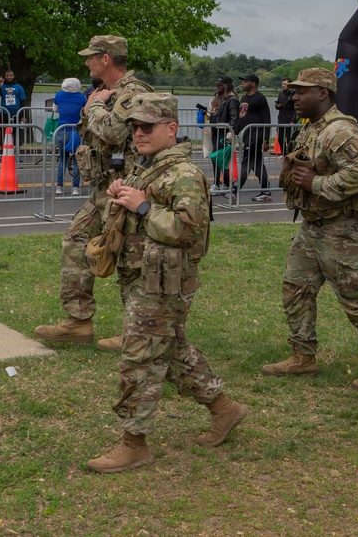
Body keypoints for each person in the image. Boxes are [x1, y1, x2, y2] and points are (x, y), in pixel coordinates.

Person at [87, 93, 248, 473]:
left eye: (147, 126)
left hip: (163, 283)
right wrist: (121, 197)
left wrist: (141, 206)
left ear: (171, 129)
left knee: (140, 358)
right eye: (134, 127)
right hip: (143, 276)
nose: (138, 133)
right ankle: (225, 409)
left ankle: (134, 443)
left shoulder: (184, 174)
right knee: (170, 348)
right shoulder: (149, 167)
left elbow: (186, 229)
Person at [267, 67, 358, 389]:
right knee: (295, 288)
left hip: (344, 229)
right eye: (294, 91)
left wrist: (317, 183)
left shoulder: (339, 131)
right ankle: (303, 356)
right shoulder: (312, 129)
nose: (294, 97)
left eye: (302, 92)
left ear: (323, 93)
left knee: (355, 295)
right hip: (314, 226)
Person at [33, 36, 153, 350]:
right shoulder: (101, 92)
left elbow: (114, 131)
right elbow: (91, 132)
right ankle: (78, 320)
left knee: (129, 260)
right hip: (104, 188)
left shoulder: (133, 92)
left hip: (126, 188)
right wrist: (93, 105)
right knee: (76, 242)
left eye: (91, 57)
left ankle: (137, 332)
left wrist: (96, 106)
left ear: (106, 58)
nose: (86, 63)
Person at [234, 73, 272, 202]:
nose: (243, 84)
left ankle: (234, 190)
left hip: (256, 135)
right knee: (257, 164)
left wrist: (267, 140)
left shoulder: (260, 98)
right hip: (246, 135)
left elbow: (267, 119)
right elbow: (241, 117)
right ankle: (266, 190)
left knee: (246, 161)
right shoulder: (244, 97)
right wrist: (233, 132)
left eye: (245, 82)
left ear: (253, 84)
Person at [54, 77, 87, 196]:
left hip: (62, 129)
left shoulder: (58, 95)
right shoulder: (82, 97)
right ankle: (75, 187)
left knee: (62, 159)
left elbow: (55, 109)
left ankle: (59, 186)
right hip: (76, 132)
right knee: (76, 160)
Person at [210, 75, 238, 193]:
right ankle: (217, 183)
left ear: (226, 86)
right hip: (216, 131)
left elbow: (234, 118)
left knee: (222, 158)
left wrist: (230, 133)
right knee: (215, 157)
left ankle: (225, 184)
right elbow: (217, 116)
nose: (218, 87)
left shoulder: (232, 99)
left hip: (225, 132)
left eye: (220, 85)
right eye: (217, 85)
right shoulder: (219, 99)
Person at [0, 70, 26, 140]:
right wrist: (0, 86)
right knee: (3, 132)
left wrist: (22, 115)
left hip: (16, 113)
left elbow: (23, 102)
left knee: (17, 132)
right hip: (4, 113)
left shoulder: (19, 87)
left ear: (13, 76)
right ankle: (3, 148)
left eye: (11, 75)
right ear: (4, 77)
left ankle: (17, 148)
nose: (9, 77)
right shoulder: (1, 86)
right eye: (7, 75)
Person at [275, 76, 297, 153]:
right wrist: (277, 106)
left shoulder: (293, 94)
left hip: (290, 119)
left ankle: (290, 153)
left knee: (290, 139)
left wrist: (293, 120)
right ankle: (284, 154)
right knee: (280, 139)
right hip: (281, 119)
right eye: (282, 84)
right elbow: (278, 103)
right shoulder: (281, 93)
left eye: (285, 84)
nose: (283, 85)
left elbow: (296, 109)